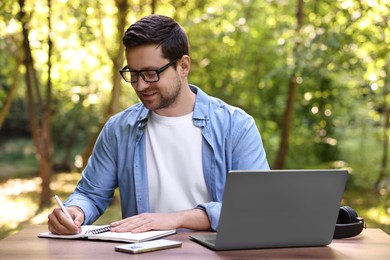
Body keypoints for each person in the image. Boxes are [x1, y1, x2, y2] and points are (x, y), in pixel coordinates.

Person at [47, 14, 269, 235]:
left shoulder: (236, 126)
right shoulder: (118, 129)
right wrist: (75, 210)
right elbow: (89, 194)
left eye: (151, 74)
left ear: (183, 66)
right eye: (133, 74)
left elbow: (259, 207)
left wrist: (177, 219)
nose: (141, 85)